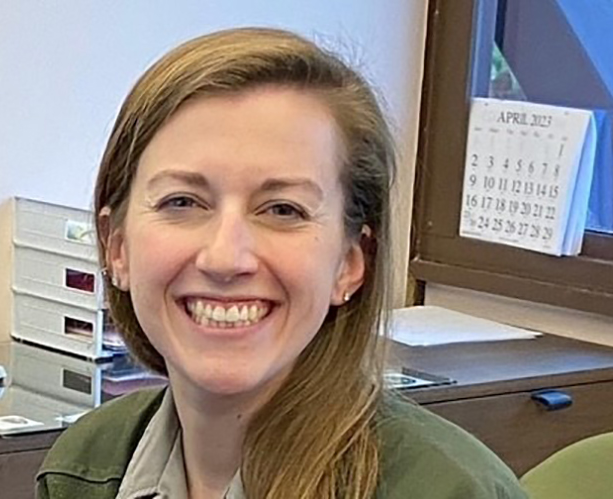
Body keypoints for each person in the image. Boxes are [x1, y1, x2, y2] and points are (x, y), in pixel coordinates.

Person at [35, 28, 526, 499]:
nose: (226, 257)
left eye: (283, 210)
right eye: (182, 202)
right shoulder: (88, 467)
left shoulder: (448, 491)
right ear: (116, 247)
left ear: (350, 263)